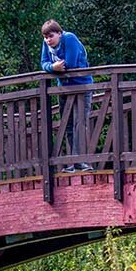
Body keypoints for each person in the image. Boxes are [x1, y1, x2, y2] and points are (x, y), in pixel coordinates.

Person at [40, 20, 94, 172]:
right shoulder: (47, 46)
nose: (48, 40)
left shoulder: (69, 39)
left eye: (50, 36)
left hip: (82, 86)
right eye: (45, 37)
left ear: (59, 33)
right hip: (63, 88)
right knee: (68, 125)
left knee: (80, 123)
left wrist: (55, 68)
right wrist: (53, 67)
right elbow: (43, 63)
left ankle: (80, 160)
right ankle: (73, 161)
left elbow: (69, 64)